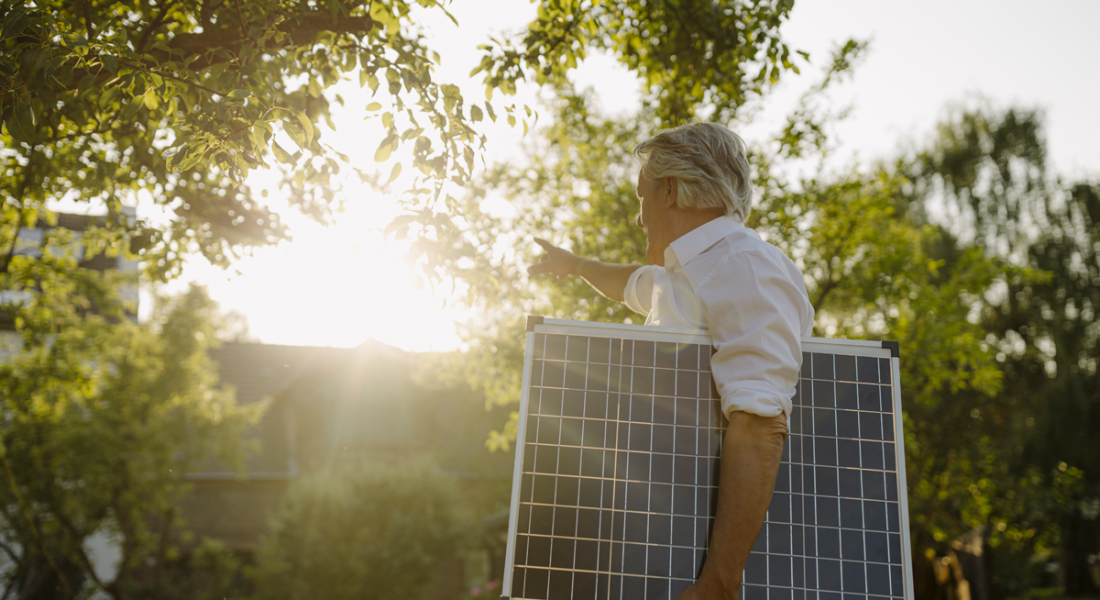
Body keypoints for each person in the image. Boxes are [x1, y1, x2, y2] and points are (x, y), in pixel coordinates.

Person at [526, 122, 815, 600]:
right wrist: (576, 266)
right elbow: (631, 285)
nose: (639, 219)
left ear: (670, 190)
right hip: (665, 540)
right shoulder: (685, 273)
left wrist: (719, 584)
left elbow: (759, 423)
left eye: (642, 198)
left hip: (706, 562)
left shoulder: (747, 267)